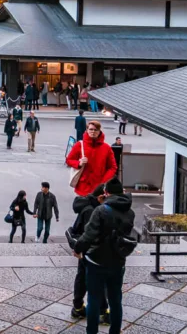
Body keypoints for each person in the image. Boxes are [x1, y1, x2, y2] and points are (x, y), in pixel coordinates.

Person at [73, 177, 135, 334]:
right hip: (118, 261)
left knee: (93, 298)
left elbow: (88, 235)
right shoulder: (130, 213)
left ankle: (92, 331)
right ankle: (114, 331)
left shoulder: (101, 210)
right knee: (115, 299)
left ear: (106, 193)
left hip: (97, 261)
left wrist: (78, 248)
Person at [67, 184, 106, 321]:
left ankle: (78, 308)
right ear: (100, 197)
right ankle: (103, 312)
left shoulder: (89, 205)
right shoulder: (91, 211)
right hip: (89, 250)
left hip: (84, 249)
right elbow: (90, 234)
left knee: (82, 278)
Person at [66, 121, 118, 197]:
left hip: (99, 190)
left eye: (96, 130)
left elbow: (112, 167)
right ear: (86, 130)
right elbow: (68, 160)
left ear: (100, 131)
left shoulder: (106, 148)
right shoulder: (79, 145)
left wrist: (103, 181)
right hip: (83, 188)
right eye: (91, 129)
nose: (93, 132)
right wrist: (79, 163)